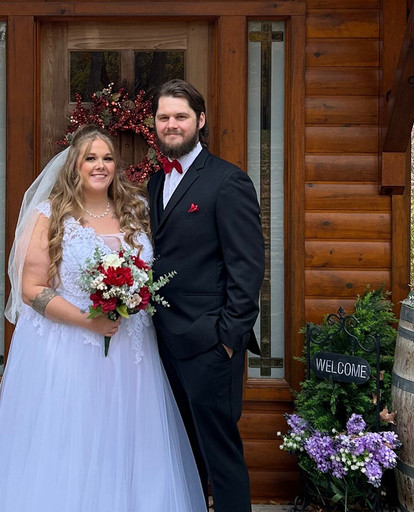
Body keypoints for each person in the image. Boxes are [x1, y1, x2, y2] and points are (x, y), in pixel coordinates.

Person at [0, 125, 205, 512]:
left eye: (107, 158)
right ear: (74, 165)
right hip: (70, 349)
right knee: (74, 437)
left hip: (132, 350)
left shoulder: (134, 208)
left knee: (129, 437)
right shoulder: (50, 214)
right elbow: (31, 288)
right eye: (90, 158)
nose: (100, 166)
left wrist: (135, 295)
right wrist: (88, 320)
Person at [148, 79, 265, 512]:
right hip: (162, 342)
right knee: (182, 454)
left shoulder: (227, 182)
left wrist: (228, 342)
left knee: (221, 457)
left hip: (209, 346)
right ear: (155, 125)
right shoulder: (155, 183)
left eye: (180, 116)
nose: (172, 124)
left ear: (200, 120)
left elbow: (247, 268)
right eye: (164, 117)